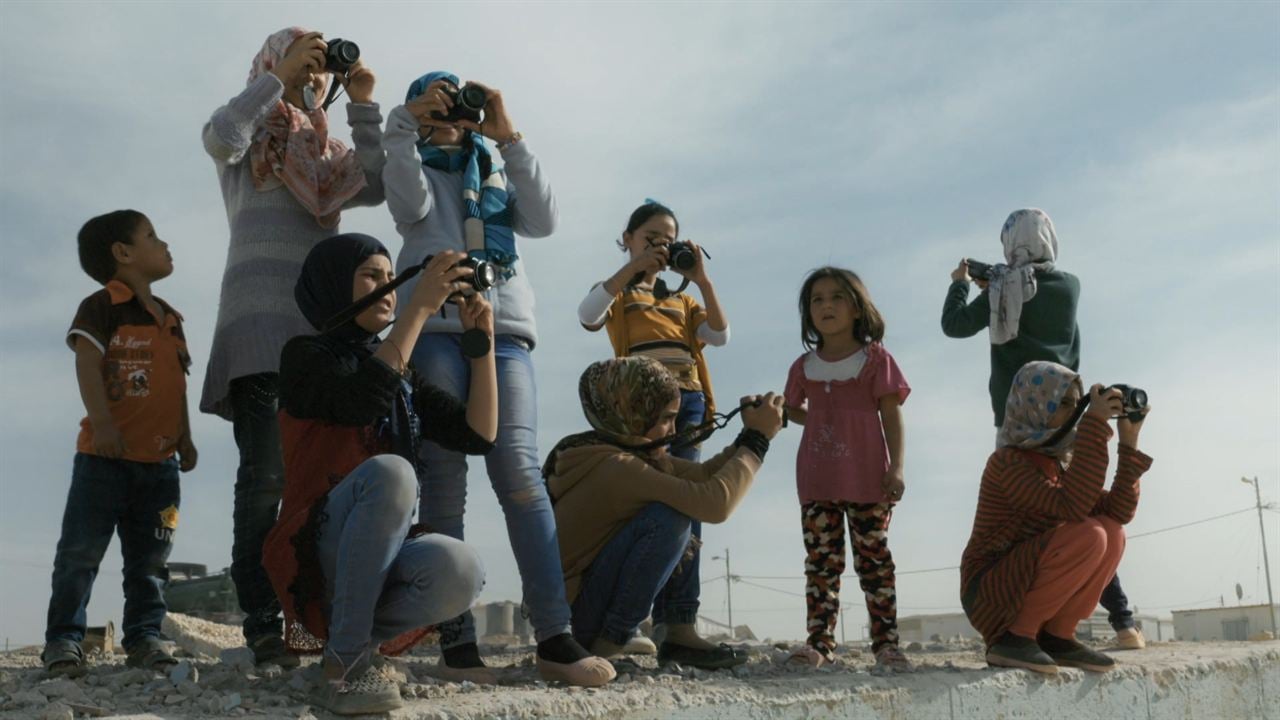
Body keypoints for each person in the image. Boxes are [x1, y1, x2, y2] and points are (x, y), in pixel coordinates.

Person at [382, 71, 612, 685]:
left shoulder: (496, 165)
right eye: (438, 98)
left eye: (459, 98)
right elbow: (408, 208)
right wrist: (404, 124)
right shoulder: (413, 159)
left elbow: (544, 219)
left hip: (504, 330)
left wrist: (508, 136)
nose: (453, 108)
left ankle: (555, 637)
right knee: (443, 477)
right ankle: (458, 644)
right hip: (432, 331)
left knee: (519, 473)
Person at [199, 27, 387, 667]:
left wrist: (360, 102)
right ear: (269, 65)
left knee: (326, 479)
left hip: (322, 341)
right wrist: (277, 80)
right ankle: (261, 621)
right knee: (264, 480)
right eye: (297, 57)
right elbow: (219, 134)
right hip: (256, 333)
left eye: (317, 63)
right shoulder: (249, 145)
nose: (312, 71)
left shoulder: (325, 150)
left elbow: (380, 184)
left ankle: (316, 614)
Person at [262, 234, 493, 714]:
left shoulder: (401, 375)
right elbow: (360, 401)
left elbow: (477, 435)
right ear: (332, 285)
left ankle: (355, 647)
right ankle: (346, 663)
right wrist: (420, 311)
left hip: (375, 564)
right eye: (372, 275)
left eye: (393, 278)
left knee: (462, 568)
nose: (388, 288)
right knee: (392, 472)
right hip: (314, 552)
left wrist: (482, 346)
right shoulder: (304, 355)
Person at [940, 208, 1145, 649]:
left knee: (1069, 519)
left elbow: (954, 326)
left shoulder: (1003, 288)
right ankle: (1121, 619)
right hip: (1067, 410)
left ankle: (1035, 629)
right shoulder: (1069, 286)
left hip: (1023, 415)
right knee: (1080, 515)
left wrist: (963, 284)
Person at [544, 357, 783, 669]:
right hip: (576, 620)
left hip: (576, 612)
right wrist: (757, 441)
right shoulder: (617, 466)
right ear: (633, 410)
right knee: (671, 519)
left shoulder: (622, 451)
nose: (673, 429)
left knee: (676, 508)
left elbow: (703, 475)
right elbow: (714, 503)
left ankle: (611, 639)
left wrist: (745, 438)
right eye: (667, 418)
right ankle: (608, 645)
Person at [42, 210, 197, 676]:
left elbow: (177, 385)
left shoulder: (170, 318)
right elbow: (88, 364)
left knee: (151, 563)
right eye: (152, 236)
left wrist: (185, 438)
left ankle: (145, 637)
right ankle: (65, 641)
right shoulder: (101, 306)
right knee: (80, 555)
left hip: (160, 466)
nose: (164, 244)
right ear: (123, 253)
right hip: (103, 461)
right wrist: (104, 424)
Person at [576, 200, 731, 664]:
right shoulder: (619, 294)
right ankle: (630, 618)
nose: (660, 245)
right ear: (626, 238)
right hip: (637, 408)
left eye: (668, 239)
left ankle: (679, 621)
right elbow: (587, 314)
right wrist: (635, 268)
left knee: (690, 507)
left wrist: (702, 279)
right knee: (638, 505)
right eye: (651, 237)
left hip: (688, 403)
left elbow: (720, 335)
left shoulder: (681, 300)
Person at [960, 361, 1153, 674]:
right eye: (1063, 404)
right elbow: (1072, 506)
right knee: (1091, 534)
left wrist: (1128, 442)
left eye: (1077, 406)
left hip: (1020, 582)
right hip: (990, 592)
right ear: (1034, 405)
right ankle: (1013, 638)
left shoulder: (1058, 466)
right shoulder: (1007, 463)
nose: (1074, 414)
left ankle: (1057, 635)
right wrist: (1094, 425)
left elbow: (1119, 512)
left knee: (1112, 532)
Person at [783, 267, 912, 672]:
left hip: (869, 479)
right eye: (817, 299)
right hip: (817, 480)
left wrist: (898, 468)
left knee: (875, 564)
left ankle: (886, 645)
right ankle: (819, 643)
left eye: (837, 297)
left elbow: (891, 416)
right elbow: (799, 413)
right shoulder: (803, 367)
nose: (826, 306)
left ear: (857, 307)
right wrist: (779, 410)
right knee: (821, 564)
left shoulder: (876, 360)